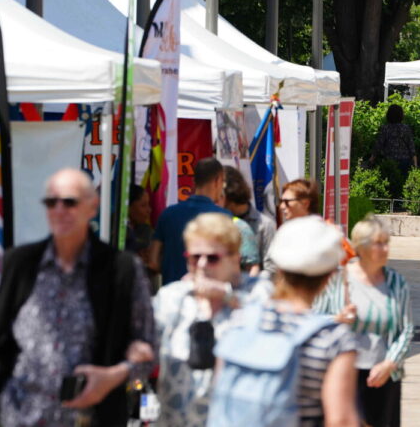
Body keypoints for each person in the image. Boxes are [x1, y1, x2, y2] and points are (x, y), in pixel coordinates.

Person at [0, 169, 156, 426]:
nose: (60, 210)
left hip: (90, 418)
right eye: (51, 202)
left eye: (69, 202)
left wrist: (113, 376)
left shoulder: (121, 269)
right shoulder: (21, 263)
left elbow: (148, 346)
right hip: (21, 416)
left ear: (92, 207)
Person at [210, 217, 360, 427]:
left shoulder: (239, 319)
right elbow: (340, 420)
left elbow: (218, 394)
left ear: (279, 269)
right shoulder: (334, 339)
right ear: (328, 277)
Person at [153, 213, 268, 426]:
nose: (202, 264)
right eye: (194, 257)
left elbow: (276, 328)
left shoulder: (258, 292)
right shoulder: (172, 297)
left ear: (235, 259)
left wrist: (227, 296)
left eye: (212, 258)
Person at [314, 217, 415, 427]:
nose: (386, 249)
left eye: (387, 242)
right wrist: (337, 319)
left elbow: (406, 329)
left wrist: (389, 363)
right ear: (361, 247)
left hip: (384, 376)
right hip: (343, 375)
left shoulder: (396, 283)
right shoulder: (337, 281)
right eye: (379, 243)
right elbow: (313, 320)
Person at [156, 158, 258, 283]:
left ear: (194, 181)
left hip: (172, 290)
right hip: (213, 289)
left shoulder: (167, 214)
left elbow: (153, 260)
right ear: (217, 181)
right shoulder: (224, 217)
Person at [220, 165, 278, 273]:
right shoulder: (217, 222)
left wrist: (251, 280)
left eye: (219, 195)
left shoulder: (265, 225)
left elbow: (271, 268)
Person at [126, 183, 160, 288]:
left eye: (148, 205)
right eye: (143, 205)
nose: (149, 210)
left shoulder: (147, 231)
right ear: (128, 207)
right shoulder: (113, 229)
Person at [373, 103, 417, 176]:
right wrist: (415, 163)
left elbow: (378, 145)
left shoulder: (385, 128)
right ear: (401, 115)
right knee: (403, 181)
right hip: (404, 161)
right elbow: (411, 147)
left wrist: (372, 159)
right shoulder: (406, 128)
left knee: (389, 181)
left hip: (389, 161)